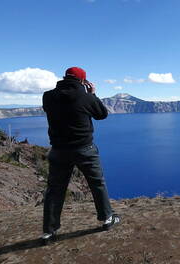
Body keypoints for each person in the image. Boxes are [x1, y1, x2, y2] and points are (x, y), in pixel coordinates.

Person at [41, 66, 119, 244]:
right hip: (84, 149)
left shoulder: (48, 96)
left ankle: (48, 231)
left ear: (64, 77)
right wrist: (92, 94)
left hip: (58, 150)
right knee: (97, 183)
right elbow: (102, 114)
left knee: (55, 190)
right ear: (83, 81)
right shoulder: (85, 96)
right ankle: (107, 219)